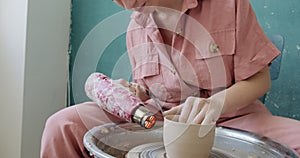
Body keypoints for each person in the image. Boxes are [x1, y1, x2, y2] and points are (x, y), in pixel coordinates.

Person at [40, 0, 300, 157]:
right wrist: (132, 93)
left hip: (236, 120)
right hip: (161, 122)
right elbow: (148, 90)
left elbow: (259, 79)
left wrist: (215, 104)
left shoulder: (228, 5)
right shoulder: (136, 26)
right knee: (63, 125)